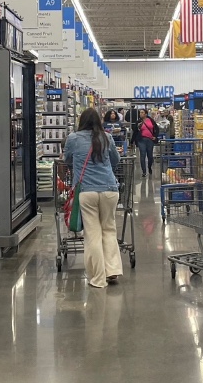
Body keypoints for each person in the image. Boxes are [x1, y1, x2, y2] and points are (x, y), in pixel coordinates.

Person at [64, 108, 124, 287]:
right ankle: (112, 270)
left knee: (93, 235)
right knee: (109, 230)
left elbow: (68, 160)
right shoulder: (107, 137)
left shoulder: (73, 139)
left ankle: (98, 278)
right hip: (109, 189)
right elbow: (116, 161)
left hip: (87, 190)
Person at [132, 108, 158, 177]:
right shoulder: (138, 122)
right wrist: (132, 141)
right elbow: (135, 131)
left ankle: (149, 167)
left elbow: (156, 128)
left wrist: (155, 136)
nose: (140, 114)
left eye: (142, 112)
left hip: (150, 140)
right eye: (140, 112)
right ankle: (144, 171)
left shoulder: (151, 120)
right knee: (142, 155)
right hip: (141, 140)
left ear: (146, 114)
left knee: (150, 156)